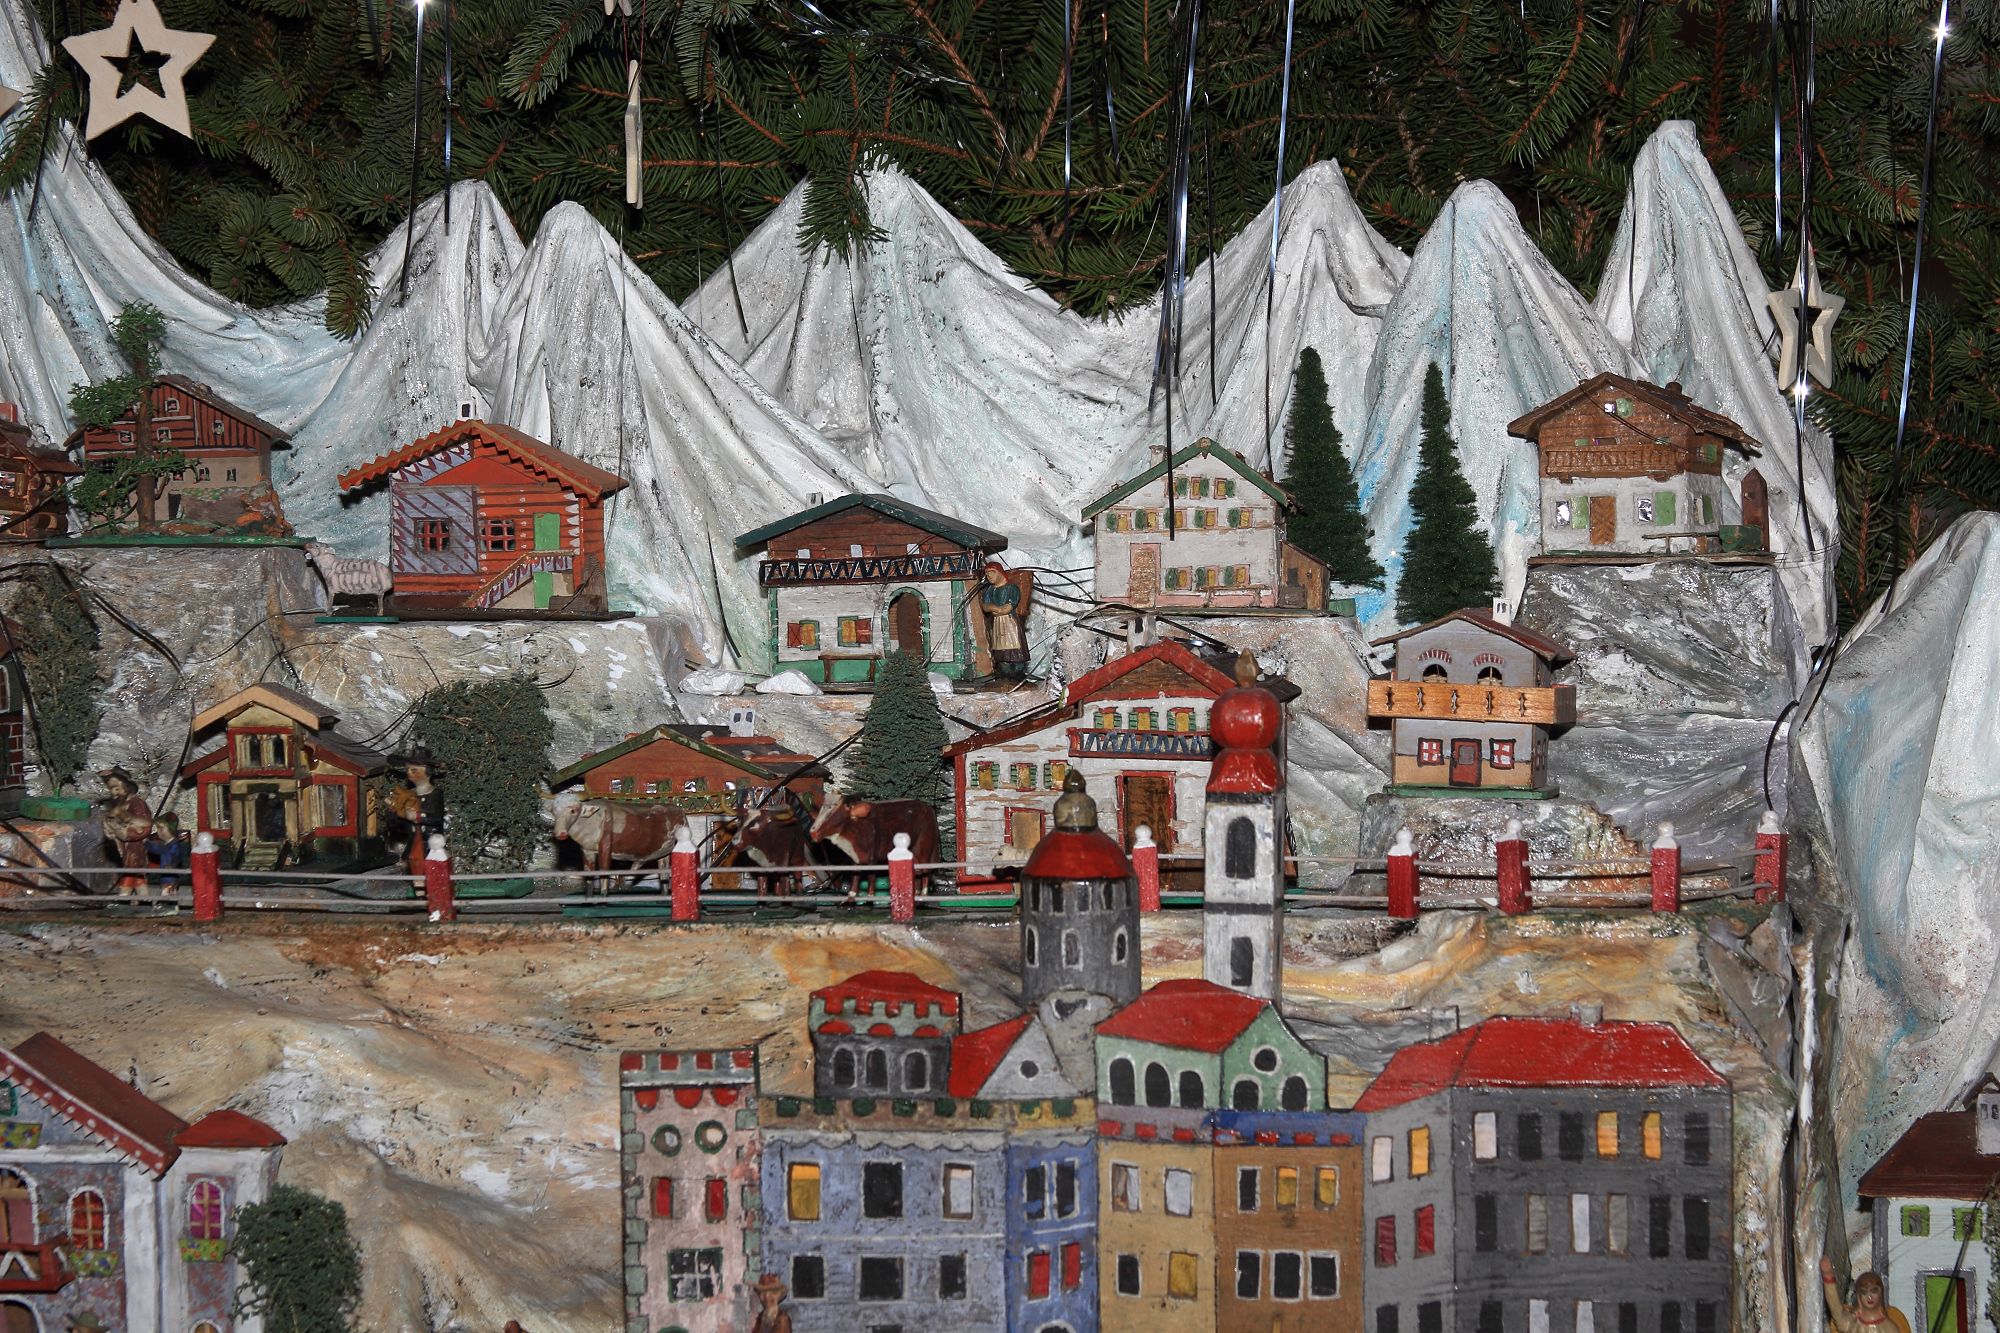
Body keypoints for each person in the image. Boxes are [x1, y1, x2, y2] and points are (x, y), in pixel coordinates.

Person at [97, 766, 153, 894]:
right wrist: (110, 826)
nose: (114, 793)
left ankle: (124, 897)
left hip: (135, 847)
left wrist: (124, 826)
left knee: (129, 873)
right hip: (126, 847)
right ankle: (144, 898)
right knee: (138, 877)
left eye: (117, 788)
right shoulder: (121, 804)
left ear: (127, 786)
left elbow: (146, 825)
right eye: (111, 789)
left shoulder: (137, 803)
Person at [1822, 1255, 1912, 1333]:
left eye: (1874, 1291)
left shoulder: (1889, 1327)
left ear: (1880, 1293)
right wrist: (1828, 1278)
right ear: (1859, 1296)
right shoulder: (1853, 1323)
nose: (1869, 1297)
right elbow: (1837, 1312)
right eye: (1864, 1292)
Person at [391, 749, 446, 877]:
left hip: (431, 843)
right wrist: (396, 811)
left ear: (427, 772)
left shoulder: (435, 794)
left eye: (414, 770)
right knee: (413, 872)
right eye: (408, 770)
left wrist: (418, 816)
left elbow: (436, 817)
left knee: (430, 873)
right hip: (413, 843)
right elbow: (400, 824)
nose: (409, 773)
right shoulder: (409, 794)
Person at [979, 559, 1028, 679]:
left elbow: (1006, 609)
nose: (989, 576)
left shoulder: (1011, 589)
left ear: (999, 573)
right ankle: (1005, 672)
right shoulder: (990, 590)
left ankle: (1018, 672)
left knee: (1015, 647)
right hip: (997, 624)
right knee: (1000, 649)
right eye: (987, 575)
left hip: (1010, 622)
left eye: (991, 573)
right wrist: (995, 608)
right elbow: (985, 607)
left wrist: (996, 608)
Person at [146, 812, 190, 888]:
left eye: (161, 828)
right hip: (165, 876)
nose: (158, 832)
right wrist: (146, 843)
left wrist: (172, 864)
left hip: (170, 878)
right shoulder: (165, 845)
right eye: (158, 828)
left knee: (167, 891)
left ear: (170, 829)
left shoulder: (174, 846)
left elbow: (177, 856)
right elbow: (156, 848)